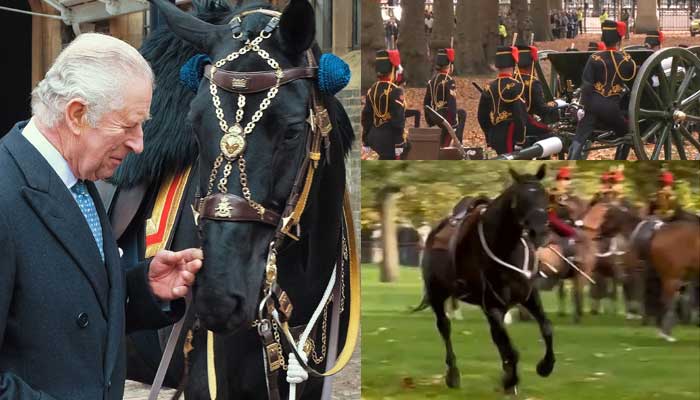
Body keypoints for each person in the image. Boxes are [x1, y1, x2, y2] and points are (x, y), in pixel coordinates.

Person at [0, 33, 203, 400]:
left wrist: (142, 290)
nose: (140, 143)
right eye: (128, 126)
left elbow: (62, 310)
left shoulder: (81, 180)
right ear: (77, 114)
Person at [568, 20, 637, 159]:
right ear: (619, 39)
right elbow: (633, 82)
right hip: (612, 109)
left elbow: (586, 86)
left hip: (592, 106)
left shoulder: (594, 58)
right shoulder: (626, 60)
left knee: (579, 136)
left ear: (603, 39)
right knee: (627, 135)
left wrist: (582, 106)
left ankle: (570, 164)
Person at [477, 46, 528, 155]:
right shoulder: (517, 86)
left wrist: (489, 134)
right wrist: (520, 138)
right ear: (513, 65)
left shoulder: (489, 87)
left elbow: (482, 116)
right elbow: (520, 115)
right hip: (510, 134)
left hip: (494, 134)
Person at [362, 49, 406, 160]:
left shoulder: (371, 89)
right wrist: (399, 143)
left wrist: (366, 140)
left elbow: (366, 117)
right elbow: (398, 120)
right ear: (392, 69)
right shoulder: (395, 90)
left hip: (373, 137)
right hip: (390, 139)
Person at [516, 45, 562, 149]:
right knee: (553, 135)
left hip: (511, 125)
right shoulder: (533, 83)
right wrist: (554, 105)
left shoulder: (512, 80)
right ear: (533, 64)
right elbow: (541, 109)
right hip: (527, 124)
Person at [424, 48, 466, 147]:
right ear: (449, 65)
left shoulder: (432, 81)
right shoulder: (449, 80)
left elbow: (426, 103)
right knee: (462, 114)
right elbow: (452, 103)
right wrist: (454, 123)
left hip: (434, 116)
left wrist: (429, 121)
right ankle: (458, 142)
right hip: (445, 118)